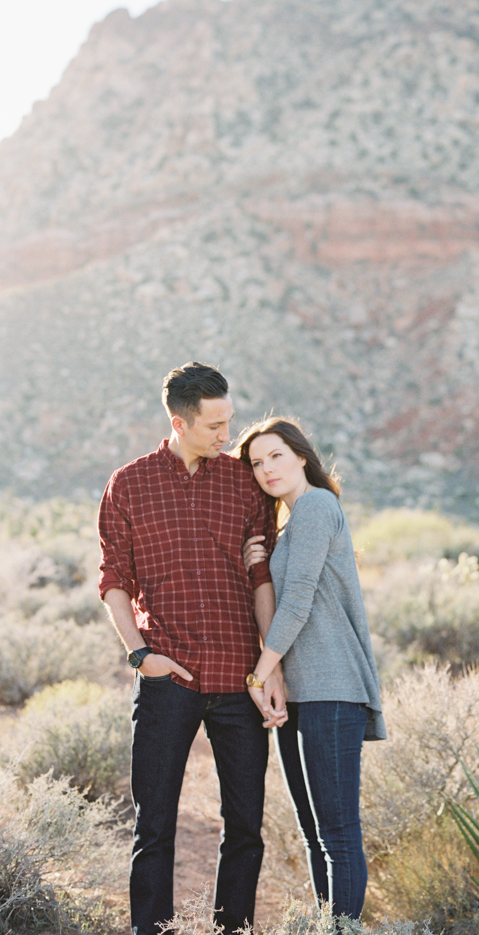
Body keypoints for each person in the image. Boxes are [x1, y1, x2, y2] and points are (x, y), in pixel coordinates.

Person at [97, 362, 287, 935]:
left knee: (246, 827)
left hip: (238, 677)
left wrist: (267, 665)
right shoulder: (128, 484)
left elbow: (261, 579)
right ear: (179, 422)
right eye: (214, 426)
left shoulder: (242, 484)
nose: (228, 436)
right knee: (153, 827)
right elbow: (113, 582)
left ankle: (236, 931)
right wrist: (140, 656)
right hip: (166, 679)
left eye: (229, 421)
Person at [233, 417, 386, 921]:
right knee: (313, 830)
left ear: (301, 456)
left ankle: (341, 930)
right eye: (256, 462)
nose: (266, 469)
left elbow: (297, 603)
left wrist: (259, 675)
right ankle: (328, 926)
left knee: (337, 833)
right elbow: (282, 597)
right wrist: (260, 560)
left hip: (332, 689)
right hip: (298, 693)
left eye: (275, 455)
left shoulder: (318, 505)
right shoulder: (290, 524)